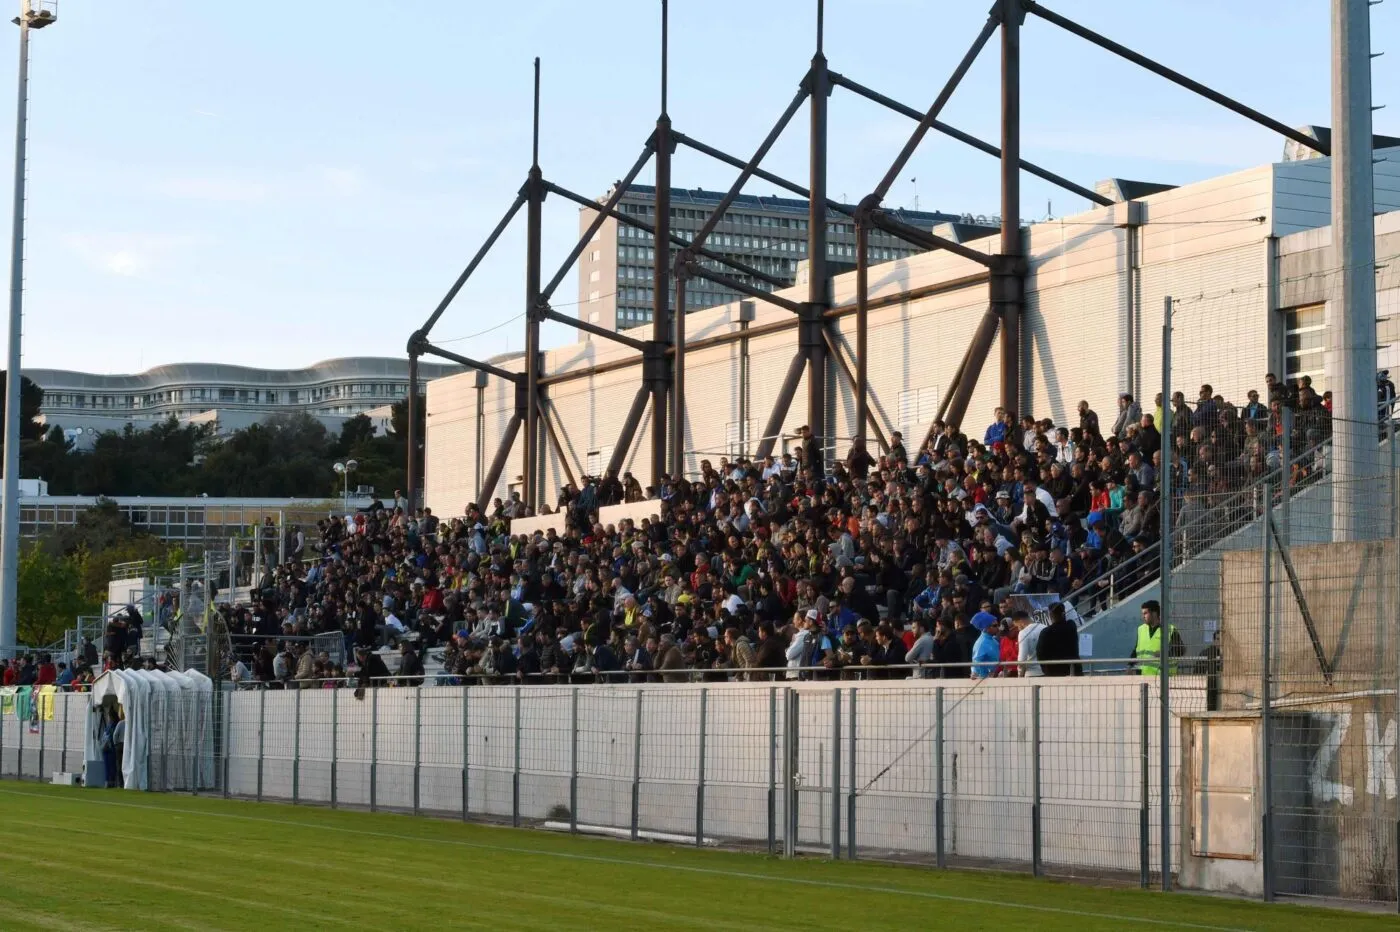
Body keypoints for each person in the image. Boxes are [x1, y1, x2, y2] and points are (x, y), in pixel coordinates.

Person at [1132, 599, 1184, 677]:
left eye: (1145, 613)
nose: (1143, 616)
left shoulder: (1170, 629)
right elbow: (1136, 650)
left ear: (1154, 613)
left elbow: (1181, 650)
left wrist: (1165, 654)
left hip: (1164, 678)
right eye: (1142, 614)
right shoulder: (1141, 629)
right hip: (1144, 676)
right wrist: (1130, 665)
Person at [1036, 601, 1081, 676]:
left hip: (1054, 671)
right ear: (1064, 613)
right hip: (1073, 669)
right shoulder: (1071, 626)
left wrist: (1045, 669)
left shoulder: (1046, 632)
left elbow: (1040, 653)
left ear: (1050, 615)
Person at [1012, 610, 1046, 676]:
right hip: (1046, 671)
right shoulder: (1044, 627)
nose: (1018, 629)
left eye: (1017, 626)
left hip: (1032, 673)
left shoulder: (1023, 633)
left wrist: (1020, 675)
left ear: (1021, 621)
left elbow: (1022, 659)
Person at [969, 612, 1001, 679]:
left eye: (998, 625)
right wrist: (976, 675)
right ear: (986, 628)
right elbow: (976, 663)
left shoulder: (994, 640)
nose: (998, 628)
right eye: (995, 625)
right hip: (984, 681)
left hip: (995, 679)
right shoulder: (981, 643)